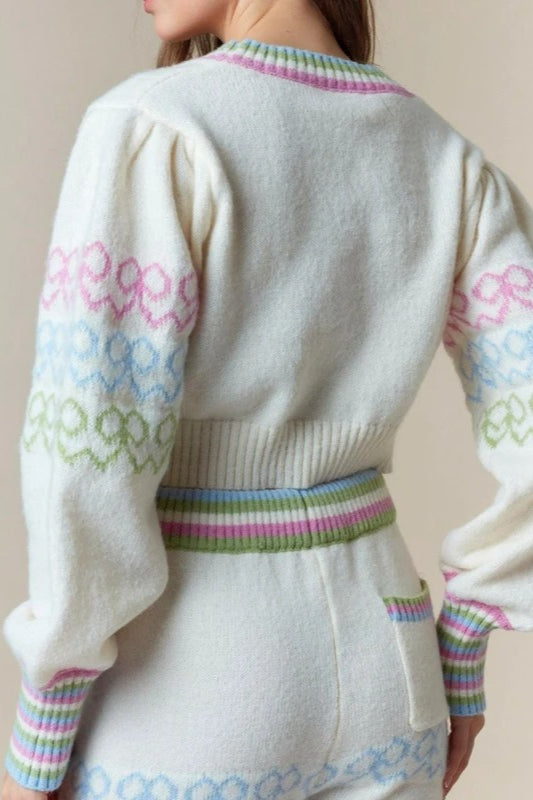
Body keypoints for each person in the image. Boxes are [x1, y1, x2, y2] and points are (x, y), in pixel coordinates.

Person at [2, 0, 532, 798]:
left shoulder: (154, 127)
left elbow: (86, 459)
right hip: (390, 669)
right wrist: (460, 647)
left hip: (189, 685)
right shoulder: (444, 157)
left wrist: (42, 729)